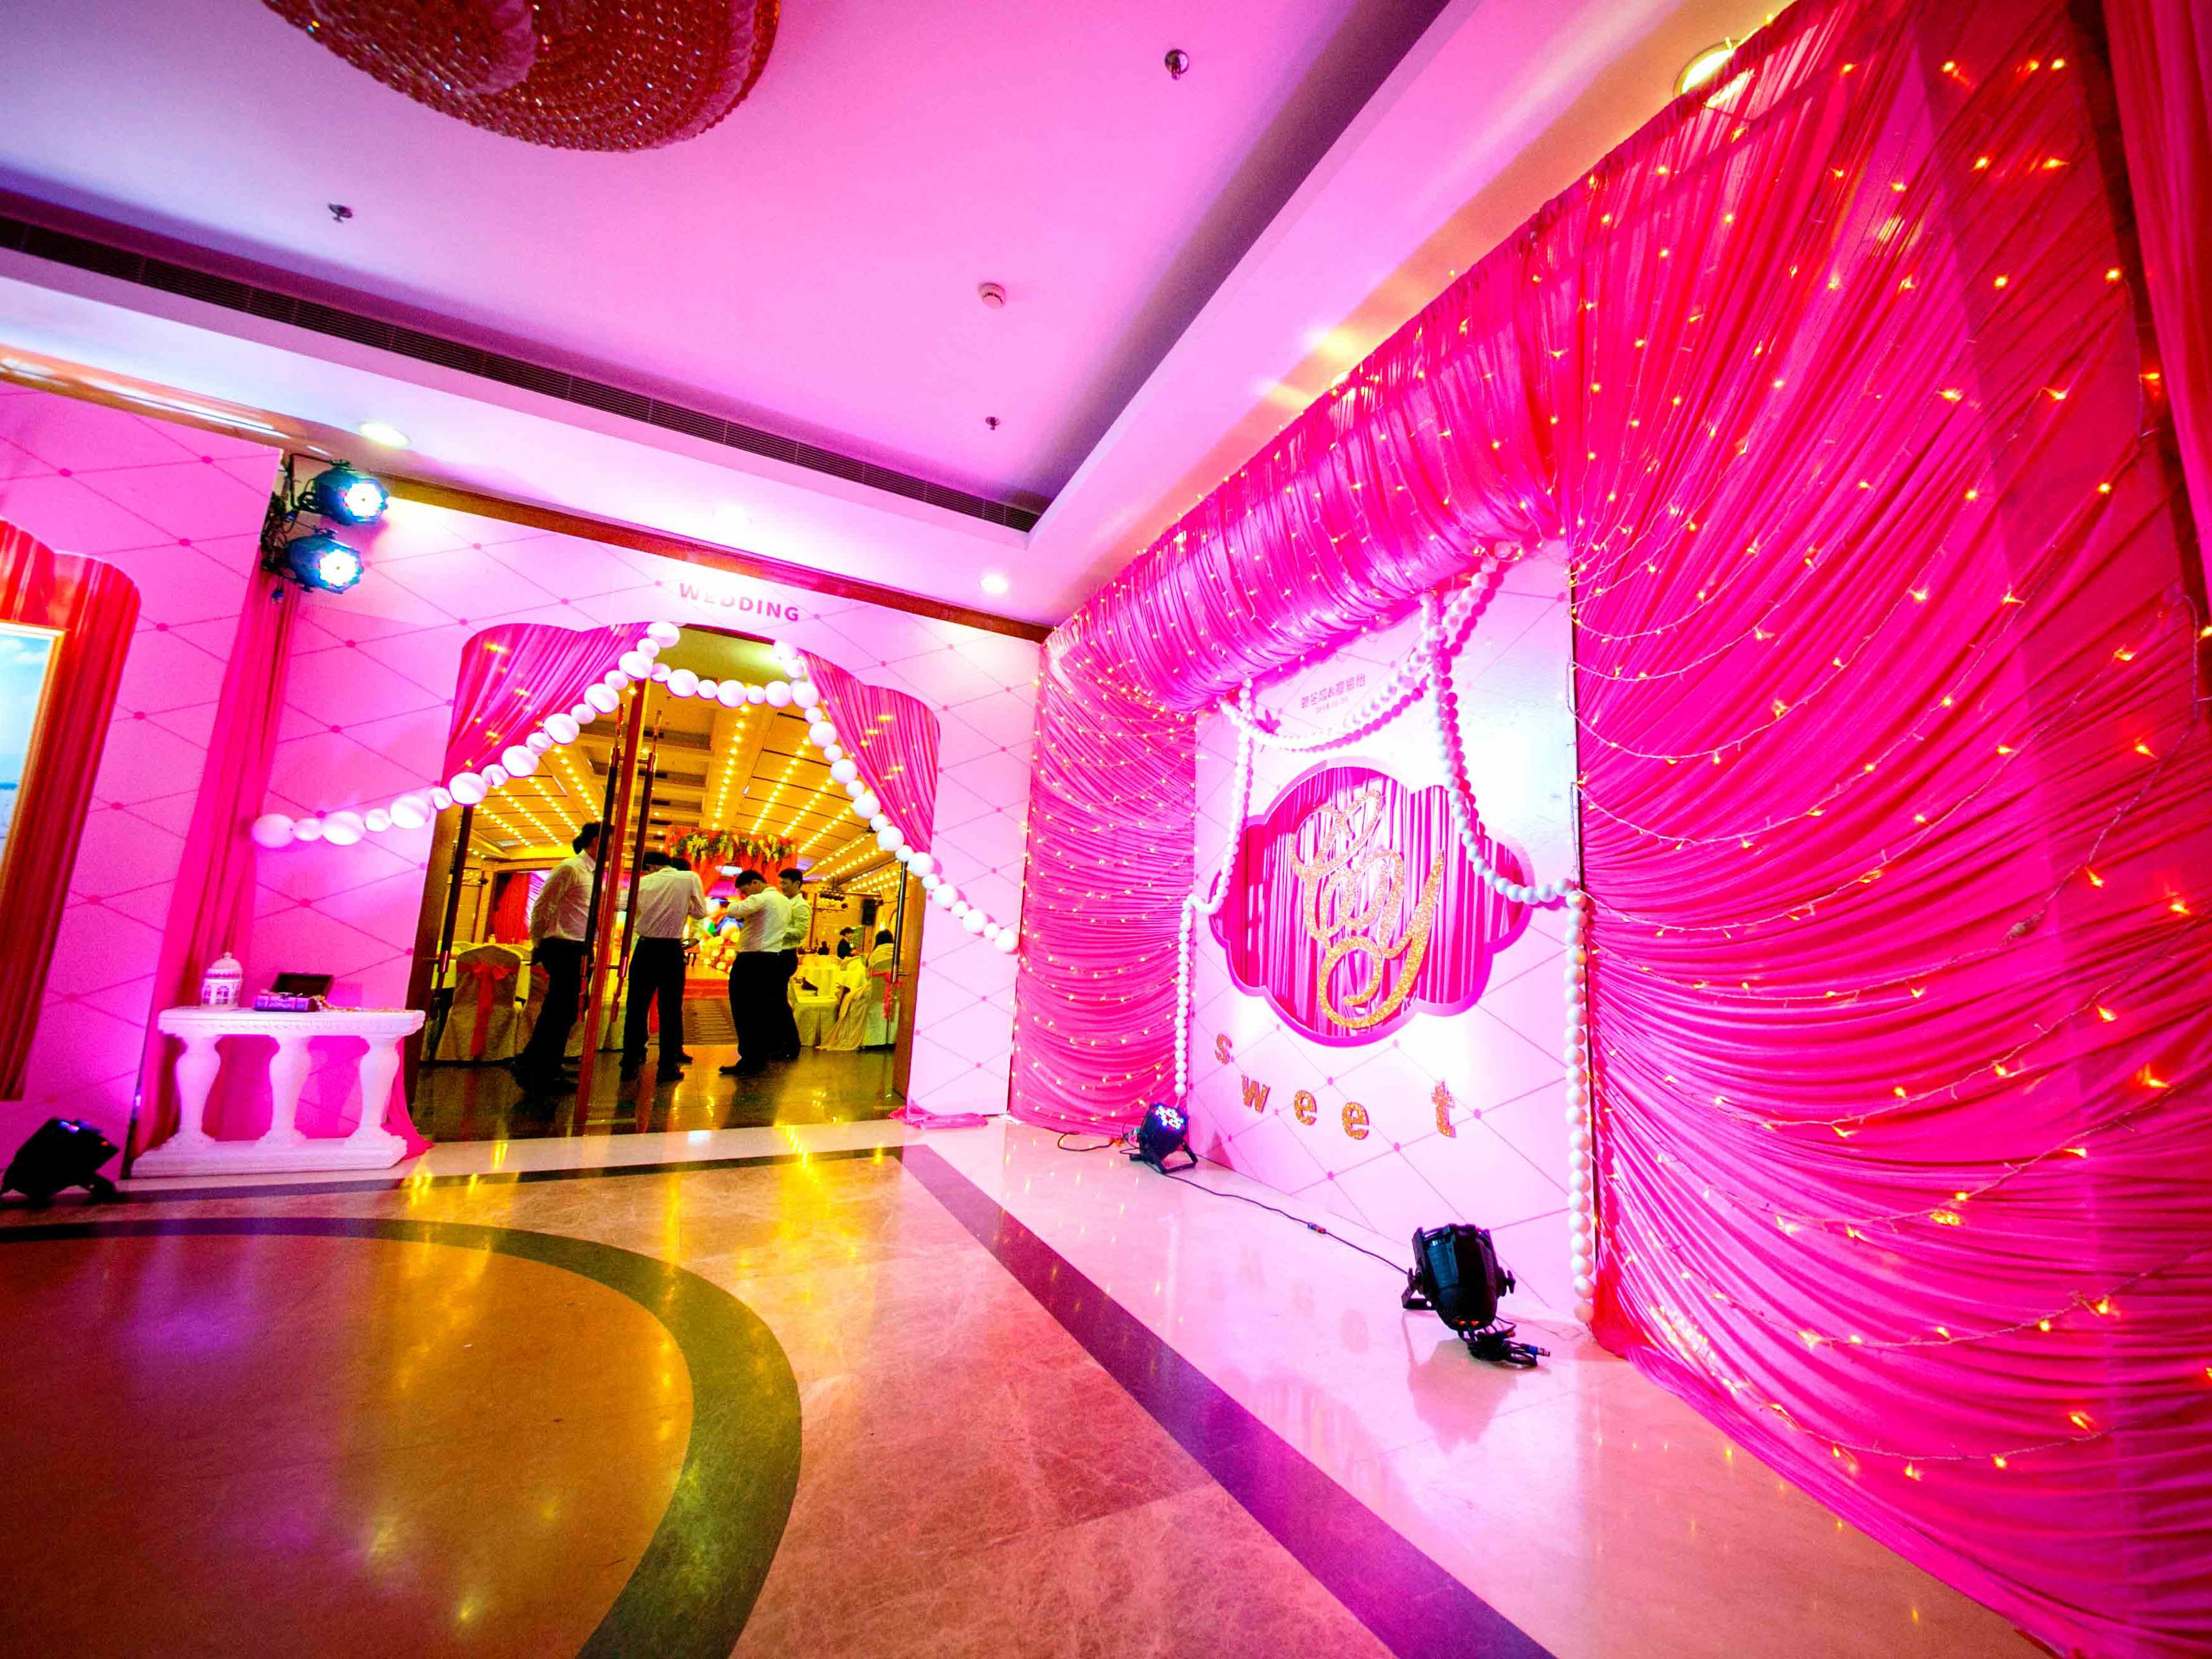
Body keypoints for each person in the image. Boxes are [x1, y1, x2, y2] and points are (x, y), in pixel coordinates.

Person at [511, 821, 601, 1094]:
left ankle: (544, 1065)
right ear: (596, 842)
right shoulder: (570, 868)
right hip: (563, 947)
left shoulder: (592, 873)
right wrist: (539, 943)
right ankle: (534, 1068)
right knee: (559, 1011)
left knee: (566, 1012)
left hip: (581, 947)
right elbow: (543, 906)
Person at [621, 851, 707, 1081]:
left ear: (651, 867)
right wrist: (680, 906)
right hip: (671, 950)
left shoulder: (643, 883)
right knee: (670, 1010)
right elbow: (700, 912)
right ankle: (667, 1066)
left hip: (645, 949)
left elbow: (619, 904)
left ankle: (630, 1063)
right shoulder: (689, 878)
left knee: (636, 1008)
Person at [716, 870, 788, 1077]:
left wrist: (731, 905)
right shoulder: (784, 901)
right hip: (772, 959)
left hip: (752, 961)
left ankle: (749, 1059)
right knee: (762, 1011)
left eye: (745, 891)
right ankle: (758, 1057)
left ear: (756, 883)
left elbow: (734, 910)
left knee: (744, 1010)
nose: (745, 896)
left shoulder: (763, 898)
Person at [768, 867, 810, 1061]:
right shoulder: (784, 902)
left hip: (786, 956)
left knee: (779, 1002)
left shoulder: (800, 906)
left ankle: (791, 1045)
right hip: (777, 954)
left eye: (785, 883)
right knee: (774, 1001)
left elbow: (801, 932)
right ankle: (778, 1043)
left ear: (797, 884)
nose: (782, 886)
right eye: (780, 883)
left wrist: (777, 929)